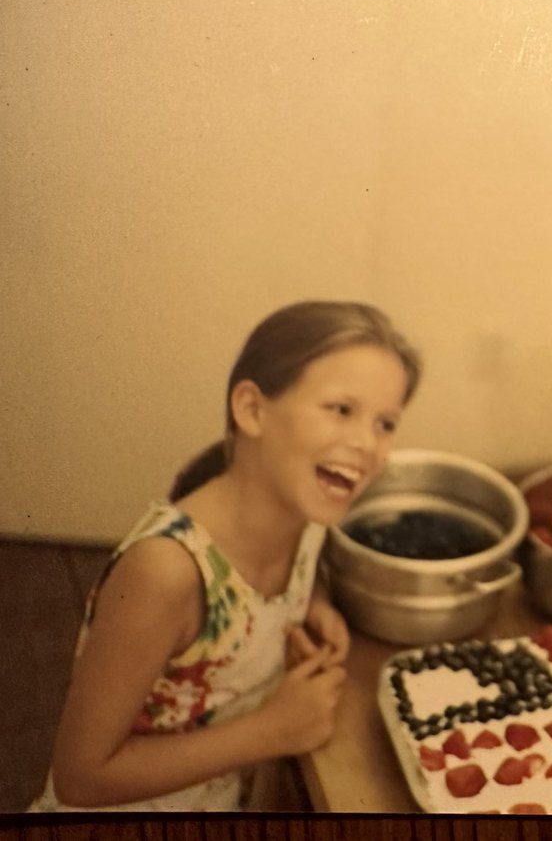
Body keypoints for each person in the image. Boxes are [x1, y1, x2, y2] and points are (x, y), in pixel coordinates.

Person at [30, 300, 422, 811]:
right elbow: (80, 778)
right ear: (253, 409)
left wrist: (316, 604)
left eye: (385, 423)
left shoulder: (306, 514)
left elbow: (297, 575)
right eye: (342, 410)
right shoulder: (164, 572)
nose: (368, 445)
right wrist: (272, 731)